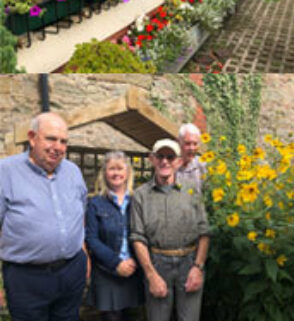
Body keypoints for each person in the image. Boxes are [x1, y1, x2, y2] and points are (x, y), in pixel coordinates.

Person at [0, 112, 89, 321]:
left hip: (71, 271)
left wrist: (84, 255)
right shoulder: (5, 172)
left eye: (63, 141)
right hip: (26, 278)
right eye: (51, 138)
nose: (57, 147)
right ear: (32, 137)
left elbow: (80, 216)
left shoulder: (73, 172)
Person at [130, 139, 211, 321]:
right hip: (157, 264)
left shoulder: (192, 193)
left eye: (170, 157)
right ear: (152, 159)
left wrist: (198, 267)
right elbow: (137, 237)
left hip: (189, 263)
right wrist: (151, 275)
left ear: (178, 161)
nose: (164, 161)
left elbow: (204, 233)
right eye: (160, 156)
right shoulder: (141, 195)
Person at [85, 152, 144, 321]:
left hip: (134, 272)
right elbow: (91, 239)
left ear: (127, 173)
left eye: (120, 168)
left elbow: (145, 233)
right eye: (111, 169)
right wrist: (116, 263)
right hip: (107, 273)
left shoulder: (137, 201)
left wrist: (135, 260)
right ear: (104, 172)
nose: (116, 173)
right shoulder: (95, 203)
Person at [175, 124, 207, 192]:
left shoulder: (203, 166)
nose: (192, 148)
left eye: (195, 144)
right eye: (187, 143)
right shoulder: (170, 167)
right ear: (178, 143)